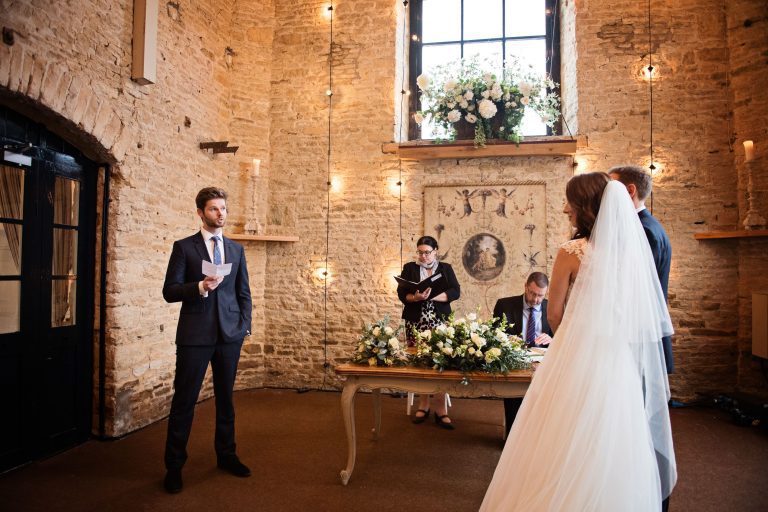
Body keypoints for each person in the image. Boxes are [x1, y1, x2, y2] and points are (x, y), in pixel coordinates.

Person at [480, 173, 676, 511]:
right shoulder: (631, 252)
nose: (564, 208)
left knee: (559, 430)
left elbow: (553, 314)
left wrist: (571, 339)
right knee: (612, 433)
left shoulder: (572, 251)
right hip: (616, 358)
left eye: (569, 201)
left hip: (577, 354)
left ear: (583, 206)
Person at [161, 187, 253, 493]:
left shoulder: (237, 250)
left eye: (224, 208)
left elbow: (243, 293)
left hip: (230, 336)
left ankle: (226, 455)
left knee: (226, 400)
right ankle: (174, 467)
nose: (221, 214)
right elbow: (169, 291)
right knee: (184, 402)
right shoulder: (184, 247)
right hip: (195, 336)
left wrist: (244, 326)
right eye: (214, 209)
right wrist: (199, 286)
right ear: (200, 213)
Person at [609, 165, 673, 374]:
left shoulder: (645, 231)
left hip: (640, 335)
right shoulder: (646, 225)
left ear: (630, 191)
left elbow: (636, 289)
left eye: (610, 188)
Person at [398, 235, 461, 429]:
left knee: (441, 362)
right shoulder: (410, 268)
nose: (423, 256)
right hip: (415, 322)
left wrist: (433, 297)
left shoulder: (445, 269)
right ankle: (423, 405)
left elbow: (455, 291)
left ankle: (440, 409)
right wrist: (415, 297)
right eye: (420, 252)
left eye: (427, 252)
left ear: (435, 252)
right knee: (420, 363)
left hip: (439, 322)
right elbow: (402, 293)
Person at [492, 272, 553, 438]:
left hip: (542, 363)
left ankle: (538, 438)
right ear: (525, 286)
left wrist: (551, 339)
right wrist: (508, 339)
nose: (535, 300)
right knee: (514, 394)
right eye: (532, 293)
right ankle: (512, 438)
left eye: (540, 295)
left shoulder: (552, 309)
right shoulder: (504, 305)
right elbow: (495, 335)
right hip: (515, 362)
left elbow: (563, 337)